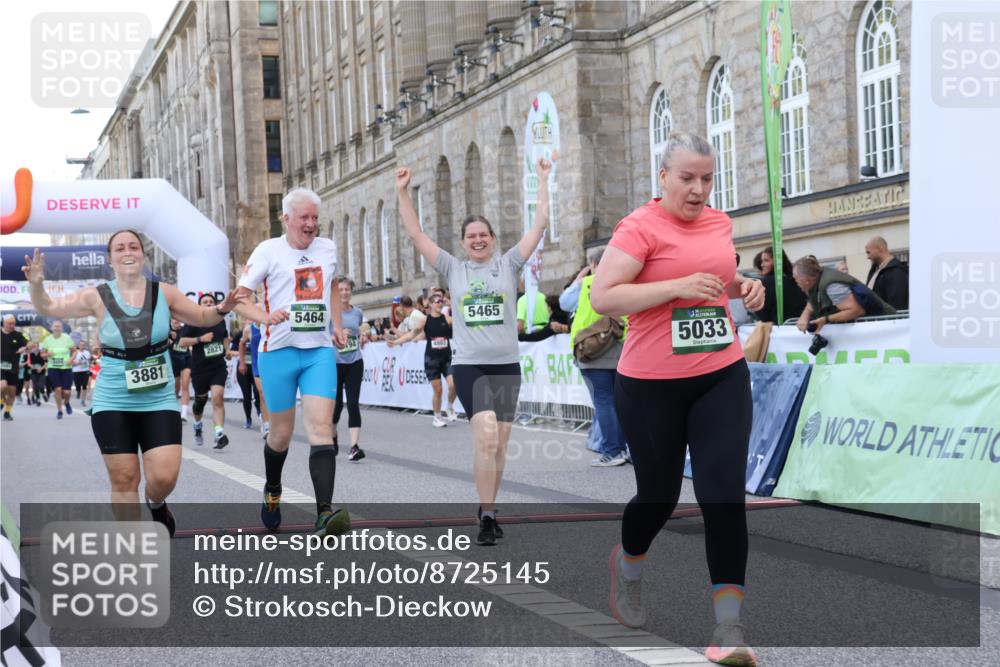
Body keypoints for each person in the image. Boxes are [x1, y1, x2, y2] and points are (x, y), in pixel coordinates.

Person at [589, 131, 765, 665]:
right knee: (659, 497)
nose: (698, 189)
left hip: (720, 374)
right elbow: (604, 296)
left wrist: (745, 286)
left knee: (723, 498)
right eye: (687, 178)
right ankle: (630, 564)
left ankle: (728, 630)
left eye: (707, 179)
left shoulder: (718, 222)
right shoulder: (638, 227)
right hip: (650, 385)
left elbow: (718, 277)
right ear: (662, 176)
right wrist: (673, 287)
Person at [22, 230, 243, 536]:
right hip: (113, 398)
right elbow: (47, 306)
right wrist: (36, 285)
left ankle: (155, 503)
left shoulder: (164, 293)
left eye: (134, 246)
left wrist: (223, 308)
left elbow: (203, 316)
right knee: (124, 479)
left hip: (158, 397)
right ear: (110, 258)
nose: (128, 251)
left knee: (164, 477)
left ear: (142, 253)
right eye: (120, 248)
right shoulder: (96, 295)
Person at [396, 154, 555, 546]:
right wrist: (402, 192)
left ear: (493, 239)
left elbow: (540, 224)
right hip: (470, 366)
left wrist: (543, 177)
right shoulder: (453, 269)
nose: (478, 240)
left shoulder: (510, 264)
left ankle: (490, 505)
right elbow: (417, 235)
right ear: (464, 243)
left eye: (484, 234)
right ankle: (485, 516)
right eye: (472, 236)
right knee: (485, 435)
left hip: (506, 365)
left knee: (499, 443)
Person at [232, 187, 351, 537]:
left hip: (317, 352)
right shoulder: (268, 251)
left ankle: (324, 514)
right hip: (277, 352)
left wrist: (338, 324)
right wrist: (264, 316)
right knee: (281, 435)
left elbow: (330, 286)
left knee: (321, 428)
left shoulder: (327, 248)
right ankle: (272, 489)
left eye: (315, 218)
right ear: (286, 219)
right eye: (304, 218)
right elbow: (239, 300)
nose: (311, 224)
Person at [566, 247, 630, 467]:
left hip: (592, 350)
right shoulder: (624, 285)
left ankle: (612, 451)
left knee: (603, 402)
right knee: (619, 402)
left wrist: (580, 277)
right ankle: (622, 448)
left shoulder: (587, 284)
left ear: (593, 264)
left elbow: (565, 302)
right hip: (620, 349)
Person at [389, 290, 458, 426]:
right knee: (438, 390)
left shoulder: (447, 319)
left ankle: (449, 406)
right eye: (437, 301)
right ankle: (437, 416)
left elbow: (463, 326)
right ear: (431, 305)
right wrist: (396, 342)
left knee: (453, 385)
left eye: (441, 301)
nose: (440, 303)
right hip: (432, 359)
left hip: (447, 358)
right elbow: (411, 335)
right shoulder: (425, 320)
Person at [178, 294, 231, 450]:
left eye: (211, 302)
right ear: (200, 306)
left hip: (218, 367)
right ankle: (197, 425)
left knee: (217, 398)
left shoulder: (220, 321)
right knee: (199, 403)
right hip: (200, 369)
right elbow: (182, 342)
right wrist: (200, 339)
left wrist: (227, 349)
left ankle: (219, 433)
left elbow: (225, 337)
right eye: (205, 302)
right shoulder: (194, 321)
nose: (208, 303)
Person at [793, 255, 895, 335]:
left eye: (796, 278)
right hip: (875, 327)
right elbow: (813, 300)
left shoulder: (831, 286)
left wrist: (826, 319)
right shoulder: (818, 279)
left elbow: (856, 310)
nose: (796, 282)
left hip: (885, 326)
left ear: (806, 280)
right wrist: (805, 314)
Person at [332, 277, 366, 462]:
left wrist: (363, 337)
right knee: (336, 407)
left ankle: (354, 447)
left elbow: (359, 331)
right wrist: (335, 335)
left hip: (354, 361)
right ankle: (333, 437)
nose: (344, 293)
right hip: (335, 363)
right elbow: (322, 337)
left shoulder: (357, 313)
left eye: (347, 289)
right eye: (341, 290)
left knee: (353, 403)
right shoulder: (331, 313)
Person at [751, 247, 807, 324]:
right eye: (762, 261)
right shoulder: (796, 279)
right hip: (802, 326)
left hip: (779, 330)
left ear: (777, 262)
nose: (762, 265)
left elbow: (763, 314)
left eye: (766, 261)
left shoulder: (766, 283)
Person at [238, 318, 270, 439]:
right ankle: (267, 425)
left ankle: (272, 421)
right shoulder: (249, 329)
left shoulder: (272, 325)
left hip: (272, 363)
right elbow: (241, 344)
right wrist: (242, 362)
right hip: (257, 364)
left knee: (272, 395)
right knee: (262, 393)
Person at [40, 320, 75, 418]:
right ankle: (60, 411)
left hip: (66, 368)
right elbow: (42, 354)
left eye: (59, 327)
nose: (57, 328)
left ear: (61, 328)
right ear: (51, 328)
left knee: (67, 392)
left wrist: (71, 359)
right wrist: (47, 354)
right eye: (55, 326)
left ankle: (67, 403)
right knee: (58, 390)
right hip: (53, 368)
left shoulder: (67, 338)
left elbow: (74, 351)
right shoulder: (47, 340)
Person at [864, 236, 909, 311]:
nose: (868, 257)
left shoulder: (897, 271)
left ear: (880, 249)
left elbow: (897, 304)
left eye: (869, 252)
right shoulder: (874, 270)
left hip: (888, 321)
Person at [230, 320, 258, 429]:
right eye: (247, 321)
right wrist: (241, 353)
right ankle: (248, 418)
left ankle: (261, 415)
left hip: (256, 367)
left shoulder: (259, 332)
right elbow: (230, 352)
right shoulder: (239, 335)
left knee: (258, 394)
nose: (249, 323)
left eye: (252, 321)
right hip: (243, 368)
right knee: (246, 395)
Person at [1, 315, 28, 421]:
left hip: (13, 367)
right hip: (0, 366)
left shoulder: (18, 335)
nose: (12, 326)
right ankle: (1, 401)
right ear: (4, 323)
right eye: (10, 323)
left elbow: (30, 344)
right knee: (2, 385)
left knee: (12, 392)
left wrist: (25, 347)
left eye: (14, 323)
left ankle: (7, 412)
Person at [167, 319, 193, 421]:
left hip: (186, 359)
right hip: (173, 361)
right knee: (175, 390)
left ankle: (184, 413)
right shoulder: (167, 330)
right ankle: (174, 409)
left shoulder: (185, 329)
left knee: (185, 385)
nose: (176, 320)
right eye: (174, 318)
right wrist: (169, 335)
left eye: (178, 319)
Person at [70, 338, 93, 407]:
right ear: (79, 345)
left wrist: (79, 362)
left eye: (83, 345)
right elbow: (72, 361)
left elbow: (87, 361)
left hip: (85, 371)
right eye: (81, 345)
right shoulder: (75, 352)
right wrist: (75, 362)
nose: (82, 346)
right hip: (76, 371)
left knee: (84, 386)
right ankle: (78, 390)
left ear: (85, 346)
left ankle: (83, 400)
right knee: (77, 385)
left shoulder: (87, 353)